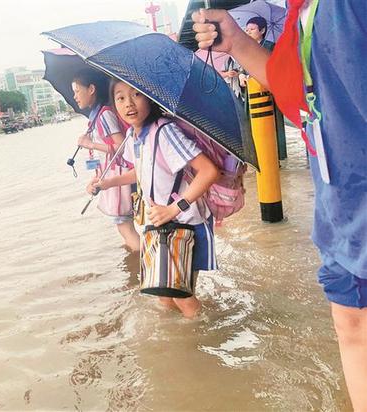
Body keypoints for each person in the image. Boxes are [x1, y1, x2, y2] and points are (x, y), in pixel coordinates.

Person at [192, 3, 367, 410]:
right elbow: (291, 88)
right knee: (352, 327)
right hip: (338, 210)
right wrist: (234, 41)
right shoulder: (302, 11)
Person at [91, 79, 219, 318]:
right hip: (159, 224)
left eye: (136, 94)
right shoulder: (134, 135)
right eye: (120, 97)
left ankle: (204, 342)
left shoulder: (165, 131)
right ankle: (179, 345)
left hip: (184, 223)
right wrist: (105, 183)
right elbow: (140, 171)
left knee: (182, 296)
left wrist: (174, 208)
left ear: (149, 97)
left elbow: (209, 171)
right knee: (164, 296)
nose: (128, 104)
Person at [71, 69, 140, 252]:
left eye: (77, 91)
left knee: (125, 227)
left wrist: (91, 144)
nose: (75, 96)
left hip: (120, 177)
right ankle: (136, 269)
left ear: (91, 89)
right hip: (111, 176)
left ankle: (142, 268)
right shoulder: (97, 115)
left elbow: (121, 147)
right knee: (124, 226)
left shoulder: (104, 114)